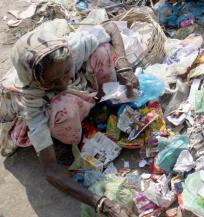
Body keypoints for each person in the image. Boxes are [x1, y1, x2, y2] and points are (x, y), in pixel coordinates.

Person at [0, 19, 139, 216]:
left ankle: (102, 103)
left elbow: (110, 27)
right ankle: (67, 138)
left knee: (103, 52)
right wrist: (101, 203)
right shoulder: (31, 99)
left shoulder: (71, 49)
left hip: (76, 83)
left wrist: (123, 66)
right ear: (38, 81)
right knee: (62, 107)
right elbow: (50, 169)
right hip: (51, 106)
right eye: (53, 80)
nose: (63, 80)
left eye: (66, 71)